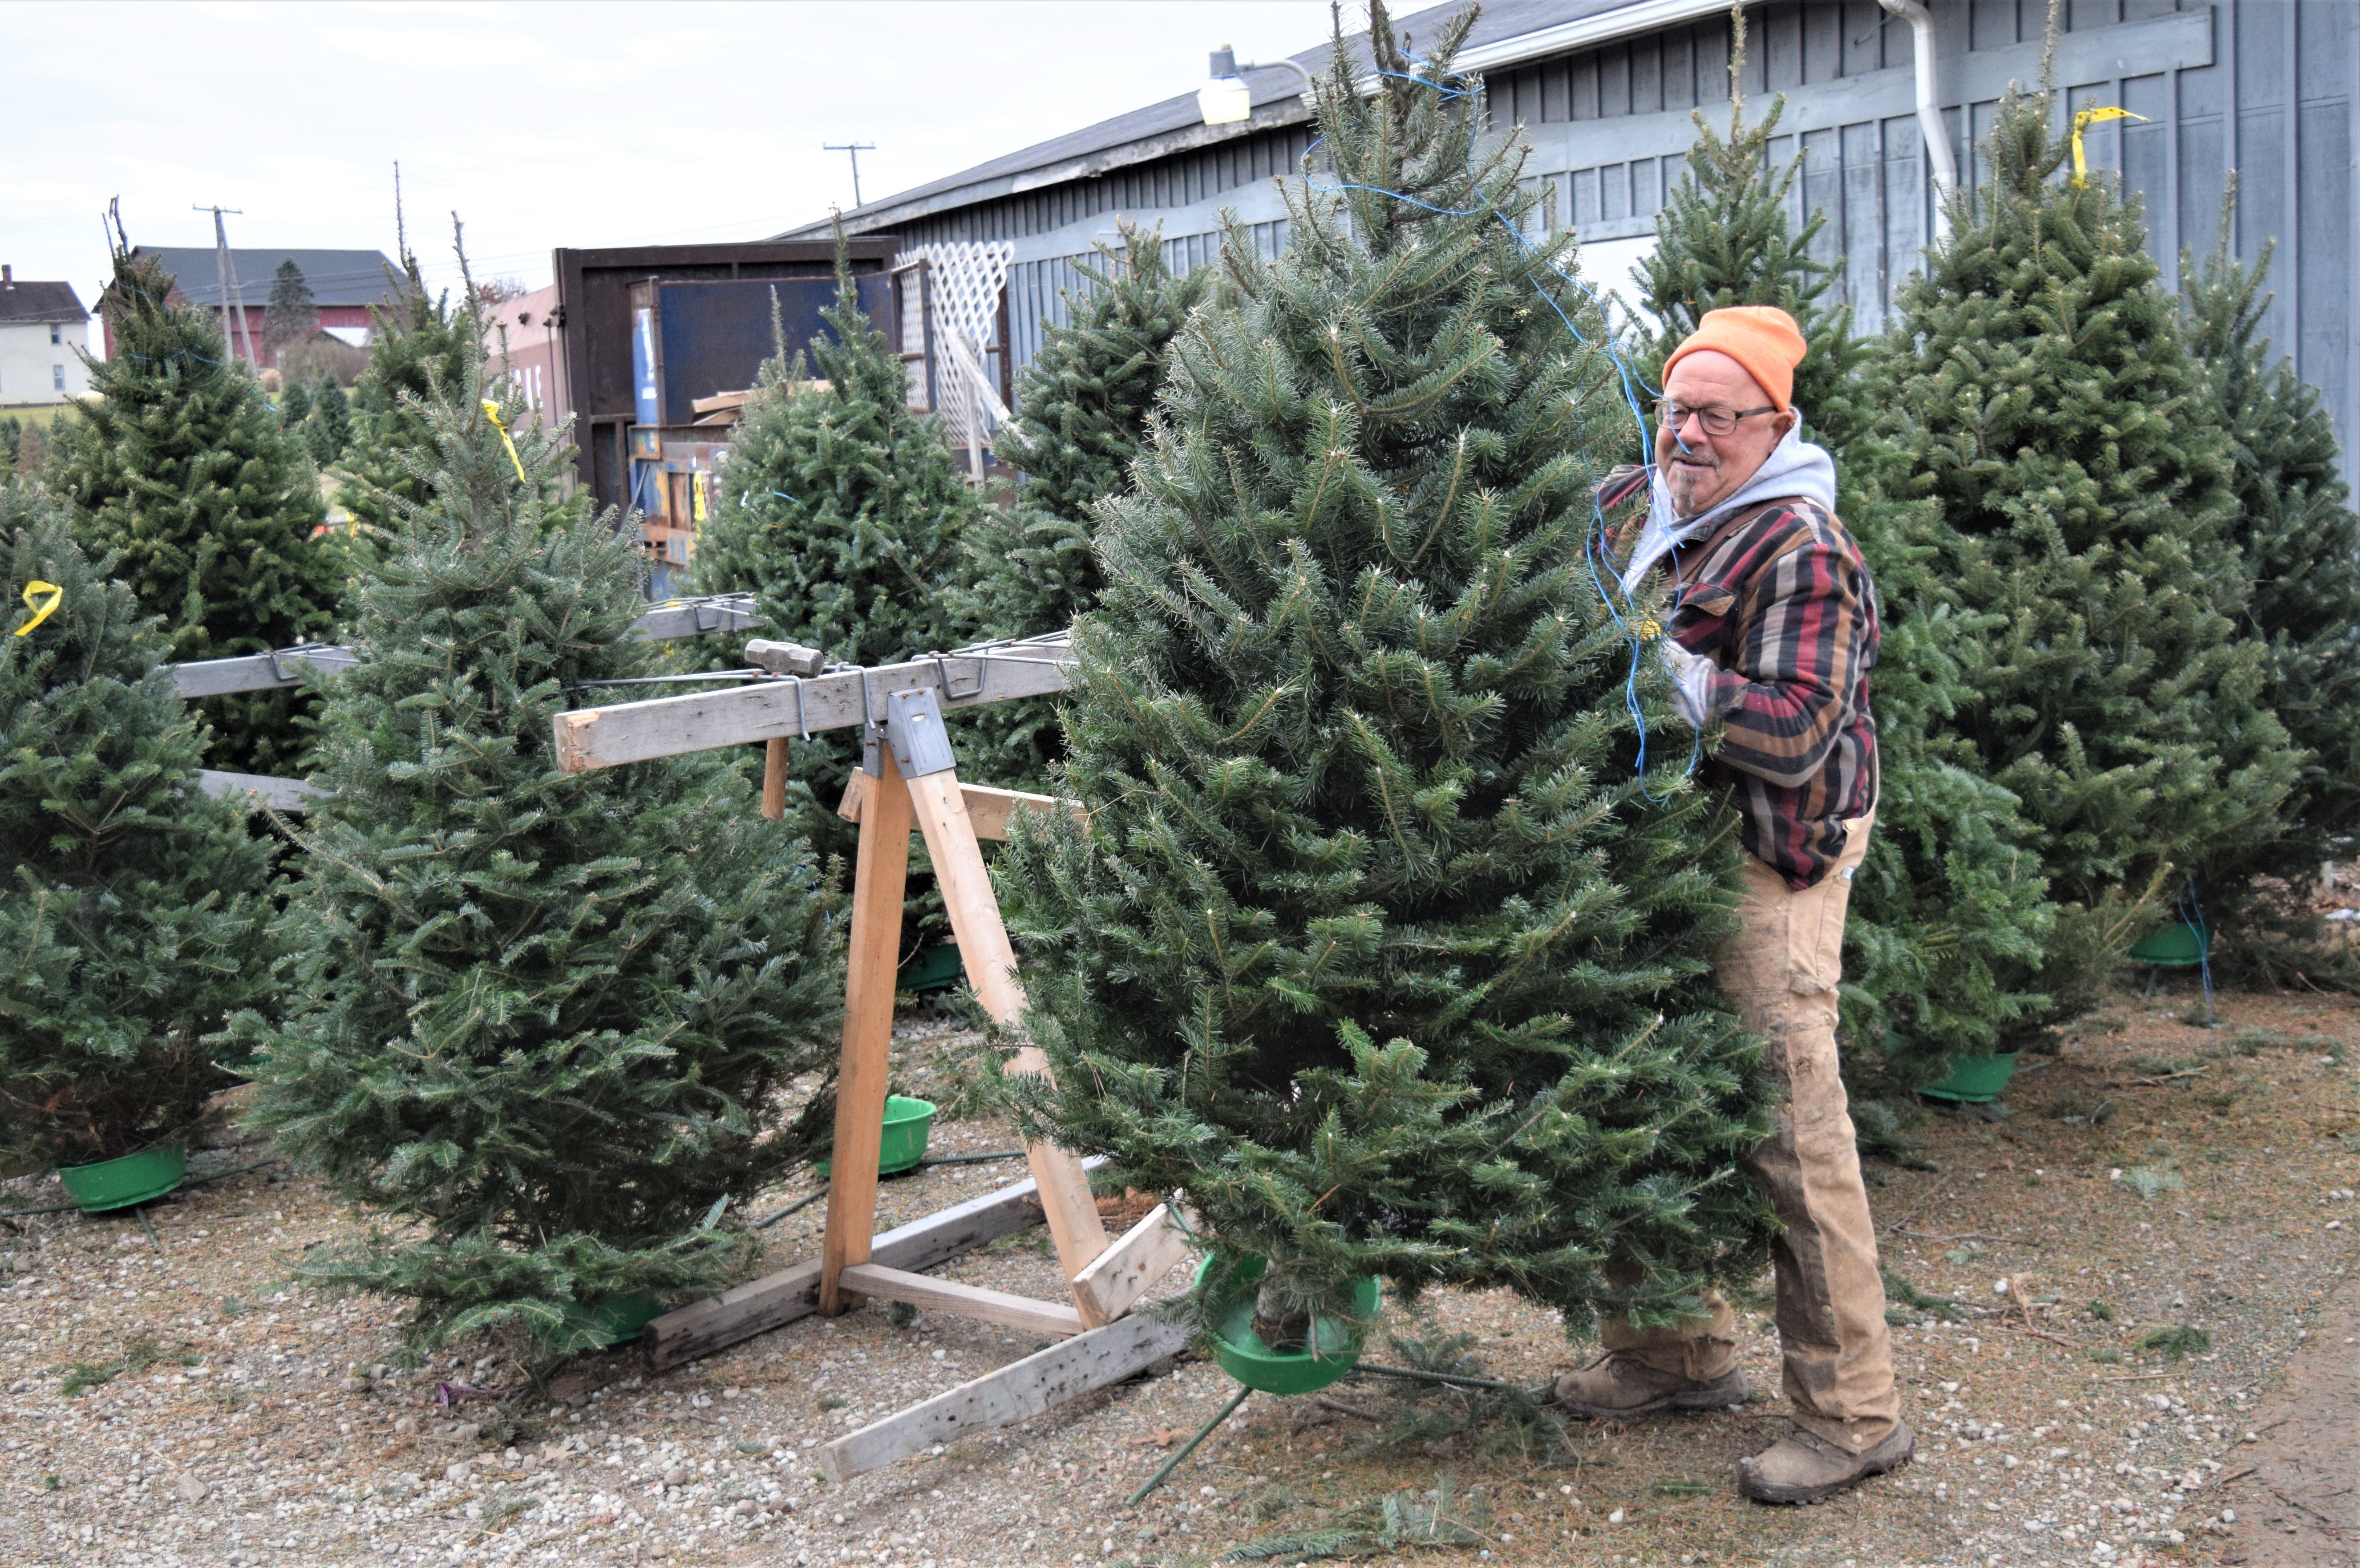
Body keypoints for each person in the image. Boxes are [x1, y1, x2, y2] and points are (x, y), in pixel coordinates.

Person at [1555, 306, 1909, 1505]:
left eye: (1718, 414)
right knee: (1641, 1088)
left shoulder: (1801, 545)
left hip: (1770, 851)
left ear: (1777, 424)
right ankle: (1672, 1353)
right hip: (1651, 845)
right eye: (1675, 408)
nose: (1688, 433)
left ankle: (1854, 1414)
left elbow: (1799, 730)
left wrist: (1671, 672)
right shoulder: (1632, 504)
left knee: (1786, 1118)